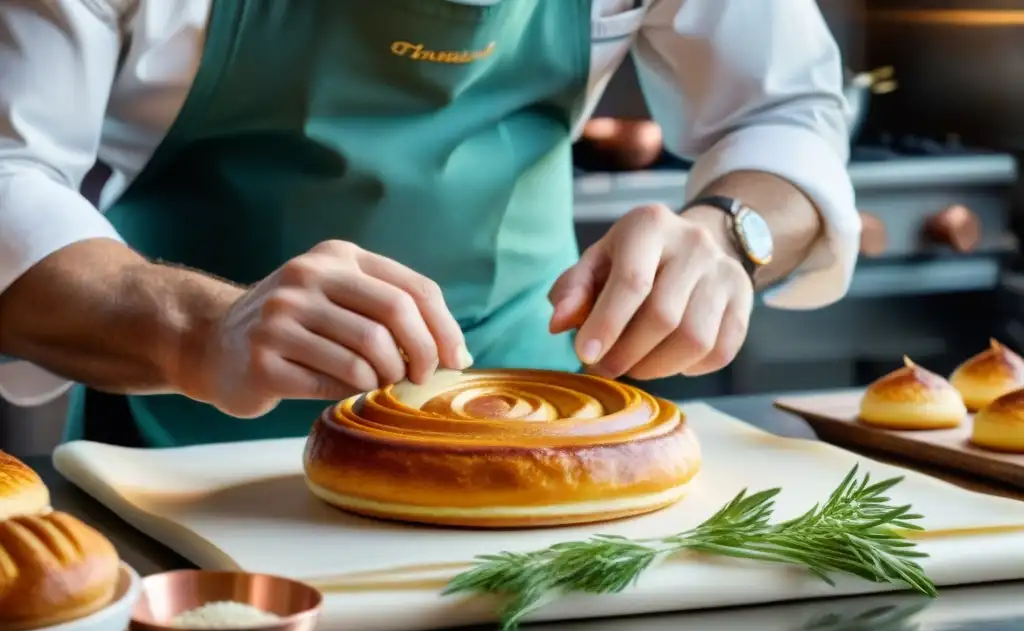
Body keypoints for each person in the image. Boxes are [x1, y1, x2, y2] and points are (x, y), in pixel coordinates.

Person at [0, 0, 859, 448]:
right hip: (187, 452)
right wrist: (200, 328)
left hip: (545, 432)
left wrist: (727, 234)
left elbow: (783, 108)